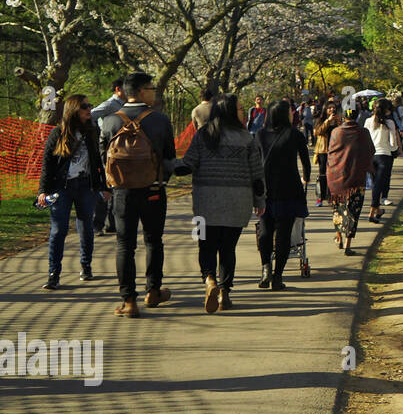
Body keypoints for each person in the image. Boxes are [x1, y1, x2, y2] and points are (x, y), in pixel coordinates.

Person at [100, 72, 177, 317]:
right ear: (142, 91)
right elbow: (169, 158)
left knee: (124, 245)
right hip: (153, 189)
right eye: (152, 88)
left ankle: (129, 301)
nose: (155, 92)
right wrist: (161, 181)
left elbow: (103, 157)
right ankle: (153, 291)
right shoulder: (160, 120)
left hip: (122, 192)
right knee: (153, 241)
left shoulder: (111, 121)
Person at [184, 95, 264, 312]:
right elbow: (257, 174)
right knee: (228, 248)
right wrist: (260, 200)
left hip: (204, 204)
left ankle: (209, 280)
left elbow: (188, 164)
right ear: (229, 112)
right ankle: (225, 294)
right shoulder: (246, 138)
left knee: (205, 245)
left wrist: (167, 165)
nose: (242, 112)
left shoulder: (203, 136)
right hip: (237, 203)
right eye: (239, 109)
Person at [37, 95, 108, 289]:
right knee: (58, 230)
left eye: (90, 106)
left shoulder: (92, 131)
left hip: (86, 186)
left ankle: (86, 266)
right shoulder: (58, 133)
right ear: (73, 109)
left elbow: (97, 162)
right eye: (85, 106)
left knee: (86, 227)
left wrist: (103, 186)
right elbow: (47, 165)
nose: (89, 109)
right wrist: (42, 191)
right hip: (62, 188)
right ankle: (53, 274)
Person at [255, 99, 311, 291]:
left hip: (266, 189)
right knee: (284, 234)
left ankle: (265, 269)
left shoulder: (260, 135)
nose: (292, 114)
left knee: (265, 230)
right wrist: (306, 178)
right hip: (289, 189)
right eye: (290, 111)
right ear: (283, 114)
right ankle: (277, 276)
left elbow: (254, 162)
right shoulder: (295, 134)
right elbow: (306, 162)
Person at [327, 107, 375, 255]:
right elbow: (370, 151)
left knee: (338, 209)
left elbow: (331, 153)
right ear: (357, 116)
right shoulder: (363, 133)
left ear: (343, 117)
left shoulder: (336, 132)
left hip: (336, 177)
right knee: (353, 211)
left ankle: (339, 237)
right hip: (356, 178)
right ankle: (348, 244)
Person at [90, 76, 126, 237]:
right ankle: (97, 225)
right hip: (107, 150)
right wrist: (98, 133)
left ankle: (111, 224)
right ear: (118, 89)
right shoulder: (110, 104)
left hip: (120, 150)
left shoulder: (123, 105)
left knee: (115, 188)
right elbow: (91, 114)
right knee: (105, 187)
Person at [365, 98, 400, 220]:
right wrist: (394, 149)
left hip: (371, 155)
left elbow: (366, 139)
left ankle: (378, 210)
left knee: (376, 184)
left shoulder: (368, 121)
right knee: (378, 185)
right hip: (384, 155)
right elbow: (393, 142)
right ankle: (371, 213)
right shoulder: (389, 123)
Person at [313, 100, 341, 207]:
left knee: (333, 175)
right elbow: (318, 132)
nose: (332, 110)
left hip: (335, 151)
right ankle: (320, 197)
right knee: (322, 174)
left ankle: (331, 196)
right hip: (323, 151)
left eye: (334, 108)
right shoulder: (320, 120)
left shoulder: (338, 120)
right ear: (325, 109)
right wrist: (328, 121)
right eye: (329, 108)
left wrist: (339, 123)